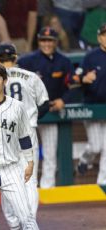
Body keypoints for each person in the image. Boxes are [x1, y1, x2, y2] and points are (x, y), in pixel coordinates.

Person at [0, 44, 49, 229]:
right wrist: (31, 118)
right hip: (27, 133)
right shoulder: (31, 76)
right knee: (30, 181)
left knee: (6, 179)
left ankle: (14, 224)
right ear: (16, 57)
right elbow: (45, 104)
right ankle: (29, 222)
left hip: (1, 133)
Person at [18, 26, 76, 188]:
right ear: (38, 41)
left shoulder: (64, 62)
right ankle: (28, 187)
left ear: (56, 42)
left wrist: (63, 100)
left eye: (50, 40)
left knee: (50, 154)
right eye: (43, 40)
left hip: (50, 112)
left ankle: (47, 188)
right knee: (27, 153)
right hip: (28, 113)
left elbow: (73, 86)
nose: (46, 43)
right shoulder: (26, 61)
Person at [77, 23, 106, 186]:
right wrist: (83, 78)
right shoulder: (91, 57)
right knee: (95, 147)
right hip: (93, 108)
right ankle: (84, 160)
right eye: (104, 35)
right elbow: (76, 78)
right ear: (99, 37)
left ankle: (102, 184)